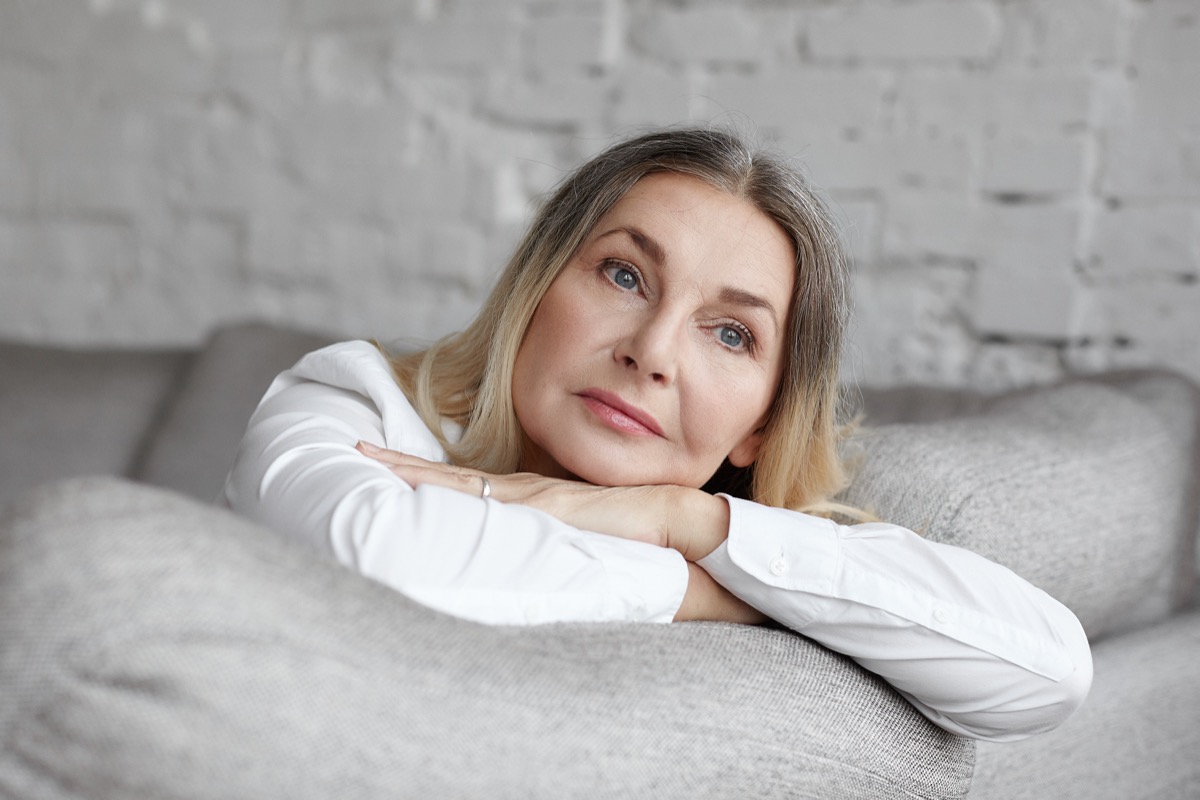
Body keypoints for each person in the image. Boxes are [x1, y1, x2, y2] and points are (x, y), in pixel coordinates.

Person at [223, 127, 1092, 743]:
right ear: (535, 289)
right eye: (625, 274)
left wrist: (693, 523)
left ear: (760, 426)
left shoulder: (729, 536)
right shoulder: (349, 401)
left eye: (730, 333)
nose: (650, 351)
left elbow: (1049, 671)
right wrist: (719, 596)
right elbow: (386, 566)